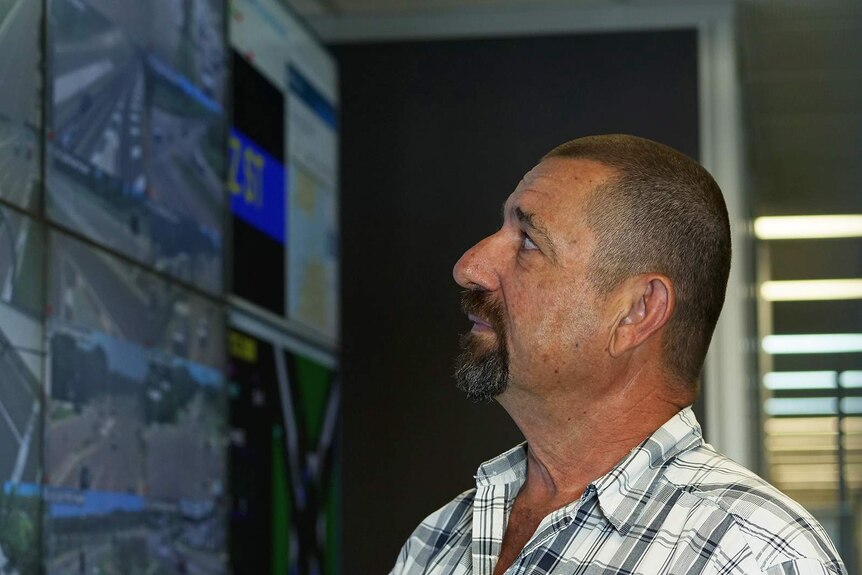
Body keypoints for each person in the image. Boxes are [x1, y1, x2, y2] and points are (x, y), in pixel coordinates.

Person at [390, 135, 846, 575]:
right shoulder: (440, 538)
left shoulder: (755, 556)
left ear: (638, 311)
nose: (468, 266)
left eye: (528, 240)